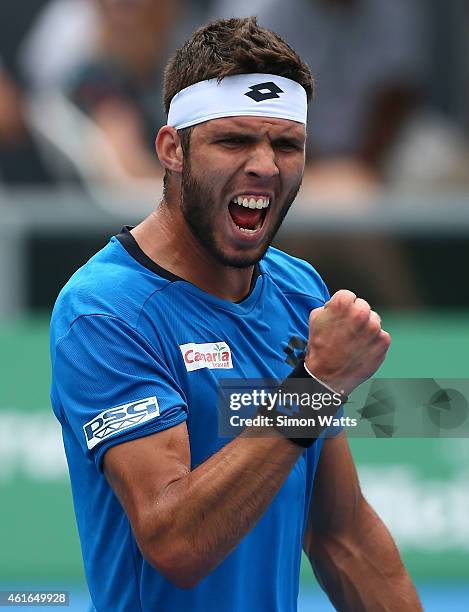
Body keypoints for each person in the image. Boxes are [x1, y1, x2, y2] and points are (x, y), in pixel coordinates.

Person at [50, 17, 422, 611]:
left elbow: (342, 536)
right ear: (173, 149)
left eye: (286, 144)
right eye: (233, 141)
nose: (265, 166)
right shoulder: (103, 311)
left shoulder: (301, 291)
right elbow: (176, 543)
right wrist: (314, 386)